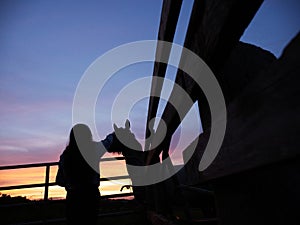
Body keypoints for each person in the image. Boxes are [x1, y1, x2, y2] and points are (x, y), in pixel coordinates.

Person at [59, 123, 112, 225]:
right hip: (91, 196)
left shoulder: (65, 156)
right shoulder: (95, 149)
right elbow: (109, 141)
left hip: (73, 197)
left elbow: (60, 180)